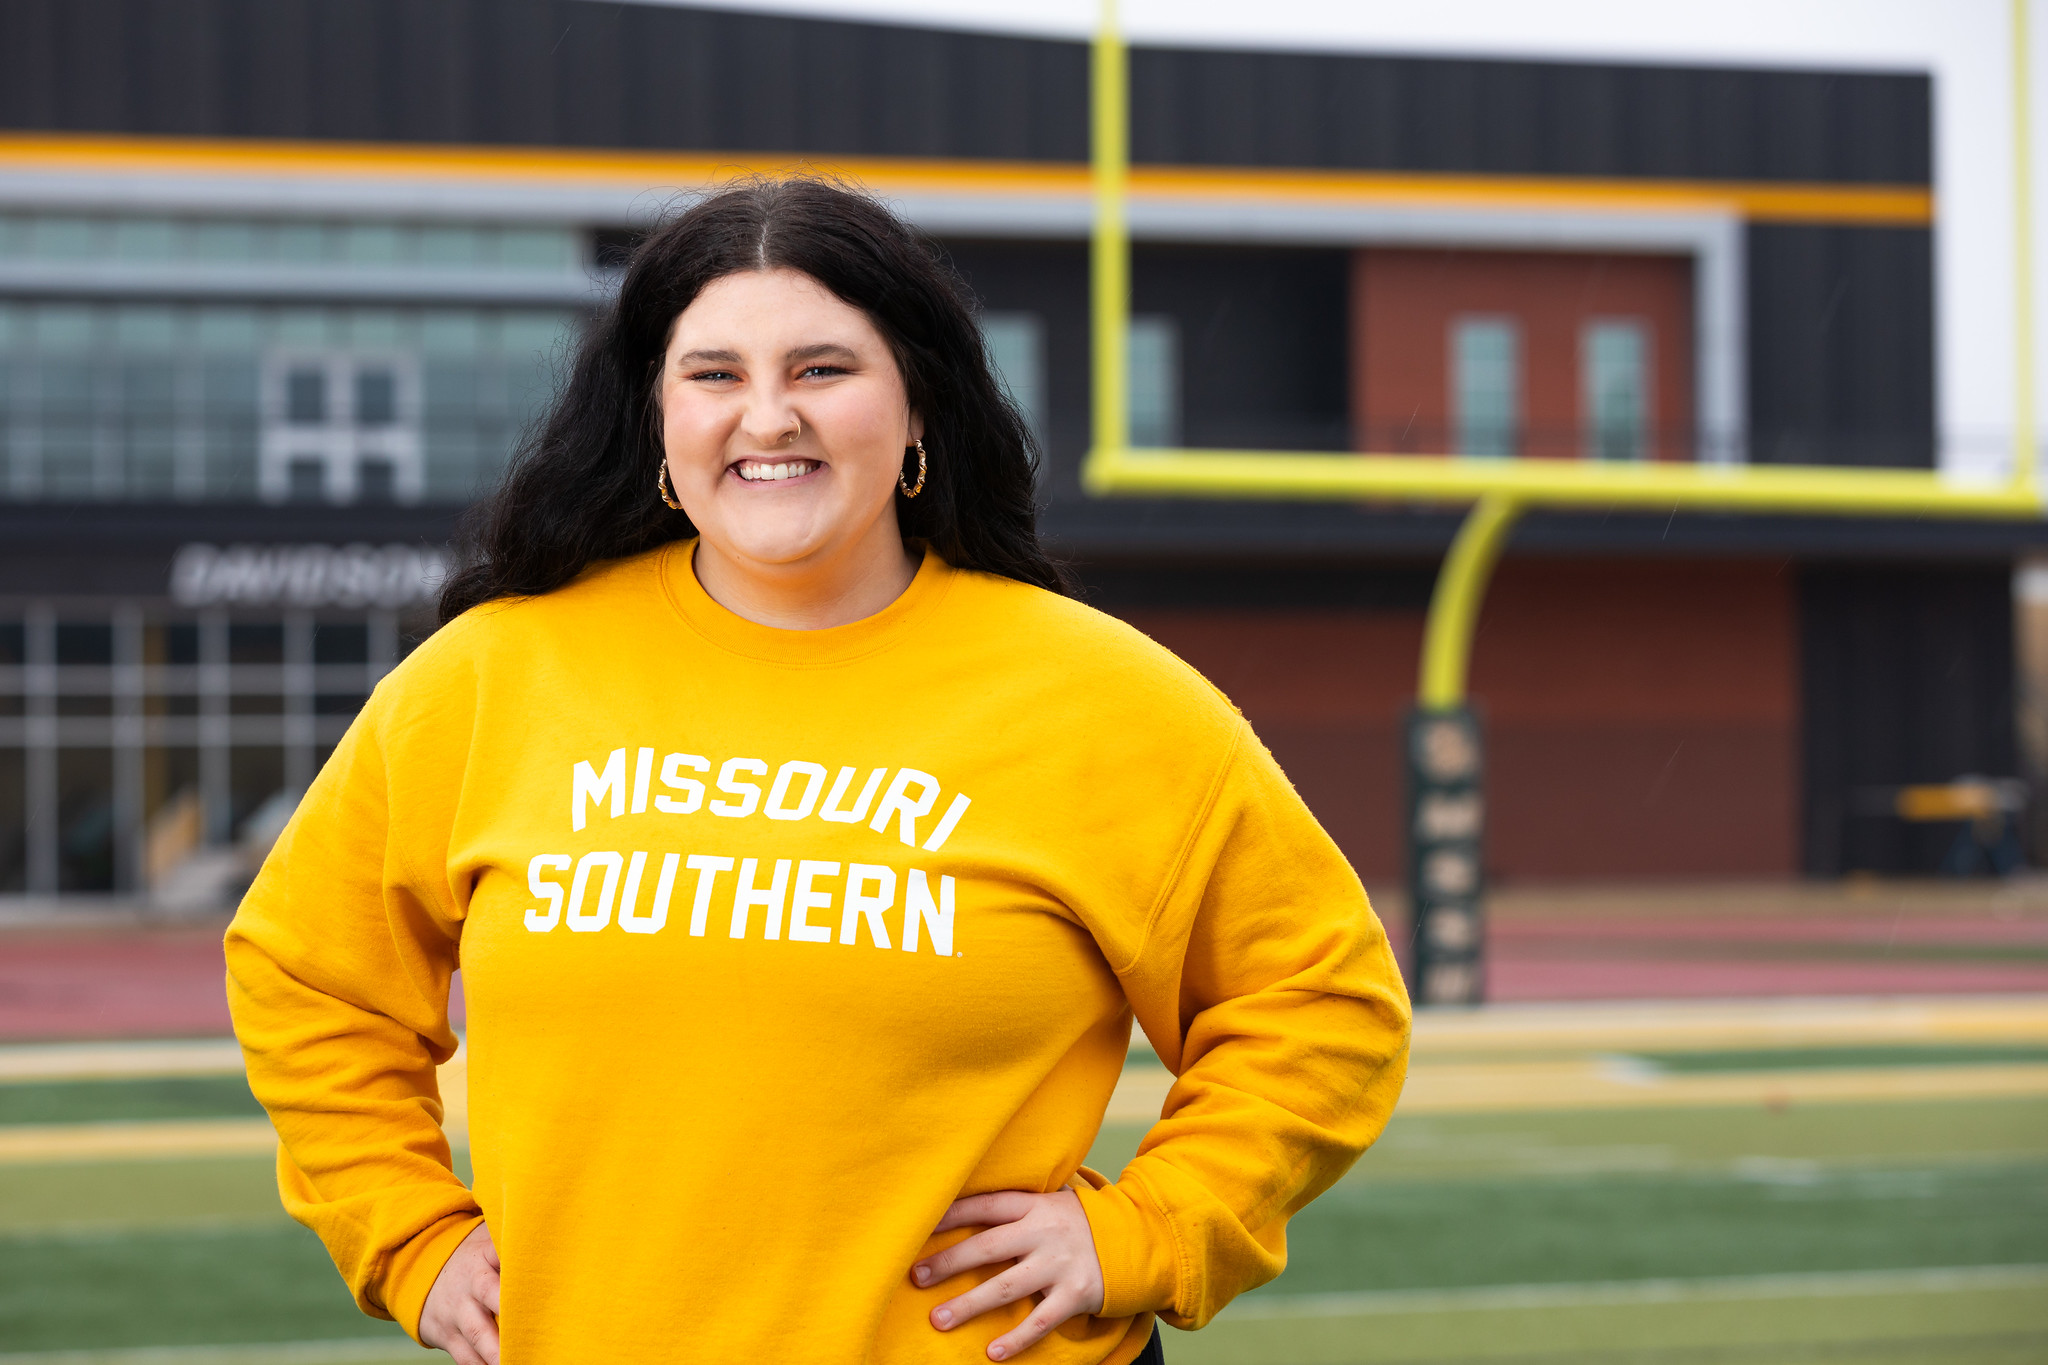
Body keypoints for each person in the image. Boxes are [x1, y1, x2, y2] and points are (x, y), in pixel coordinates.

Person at [225, 177, 1411, 1365]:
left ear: (916, 410)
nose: (767, 417)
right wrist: (410, 1239)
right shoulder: (488, 678)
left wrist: (1156, 1226)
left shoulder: (1105, 700)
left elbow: (1321, 1003)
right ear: (653, 419)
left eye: (821, 370)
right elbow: (308, 978)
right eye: (714, 374)